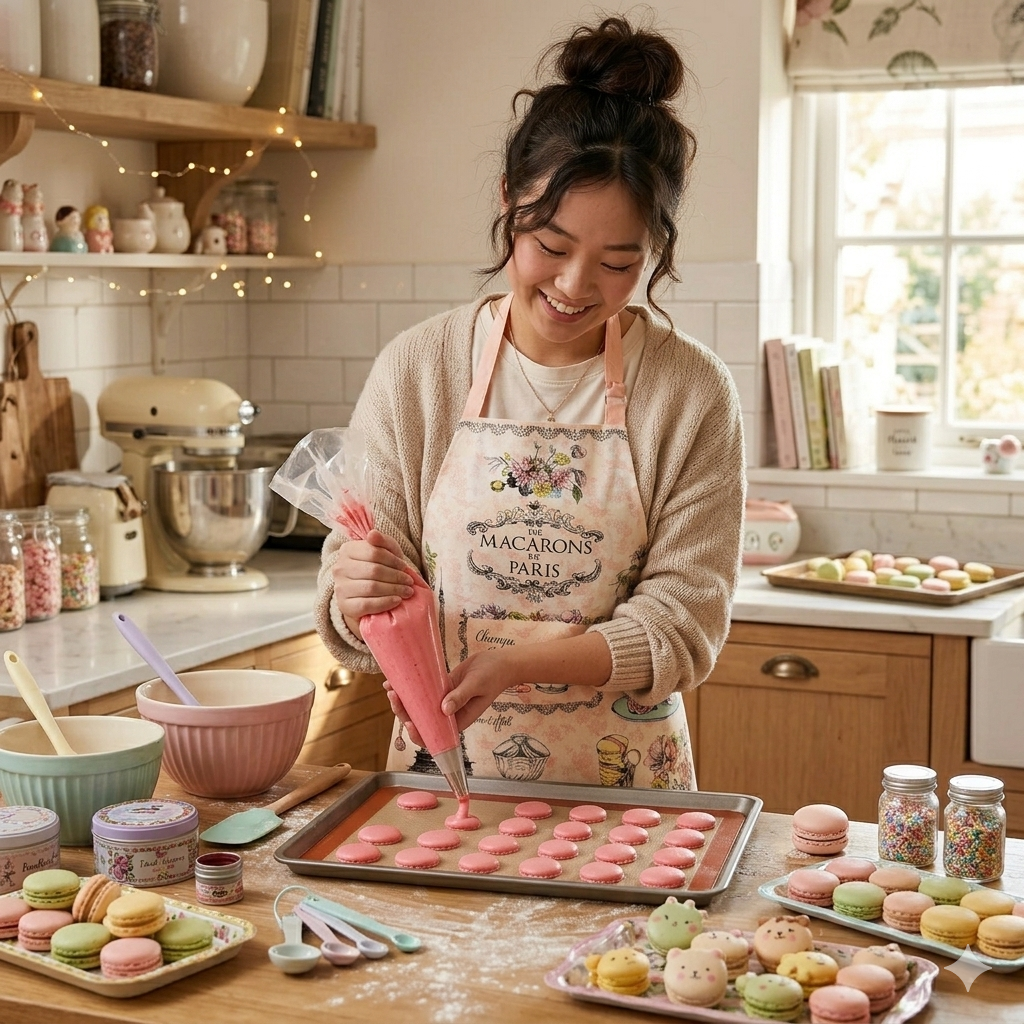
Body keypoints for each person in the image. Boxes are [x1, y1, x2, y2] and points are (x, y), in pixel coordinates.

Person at [316, 15, 745, 790]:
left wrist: (515, 666)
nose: (576, 286)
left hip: (632, 800)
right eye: (550, 246)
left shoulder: (689, 394)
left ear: (654, 250)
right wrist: (355, 590)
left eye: (619, 263)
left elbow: (684, 626)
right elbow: (351, 599)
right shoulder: (419, 371)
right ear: (510, 199)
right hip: (442, 783)